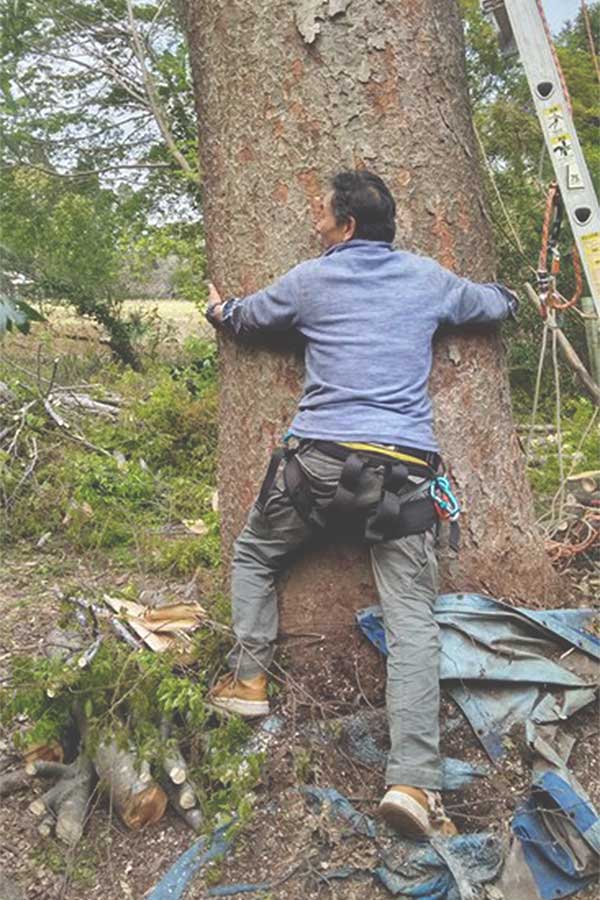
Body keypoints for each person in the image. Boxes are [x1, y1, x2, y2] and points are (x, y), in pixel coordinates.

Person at [204, 170, 517, 839]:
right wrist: (516, 297)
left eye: (322, 211)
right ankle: (412, 781)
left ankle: (249, 682)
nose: (314, 218)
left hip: (314, 468)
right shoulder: (427, 279)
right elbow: (489, 305)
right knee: (412, 625)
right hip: (402, 475)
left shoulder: (312, 280)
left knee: (256, 551)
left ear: (346, 227)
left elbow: (247, 319)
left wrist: (217, 310)